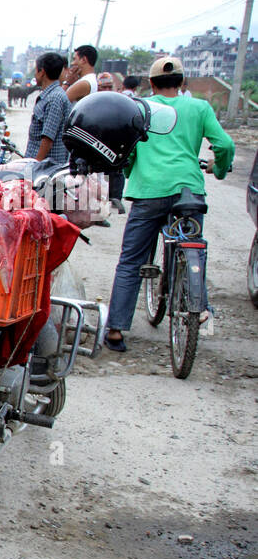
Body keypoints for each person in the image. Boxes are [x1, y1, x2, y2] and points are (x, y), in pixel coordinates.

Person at [102, 56, 234, 353]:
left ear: (151, 83)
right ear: (183, 82)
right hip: (189, 191)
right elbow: (225, 145)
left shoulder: (141, 107)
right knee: (193, 244)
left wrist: (130, 172)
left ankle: (115, 331)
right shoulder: (199, 107)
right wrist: (221, 169)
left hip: (149, 192)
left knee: (131, 261)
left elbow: (127, 150)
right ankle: (199, 307)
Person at [25, 52, 70, 165]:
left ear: (42, 72)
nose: (35, 75)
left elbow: (47, 139)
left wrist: (35, 167)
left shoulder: (54, 98)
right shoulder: (50, 95)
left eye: (36, 70)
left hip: (46, 170)